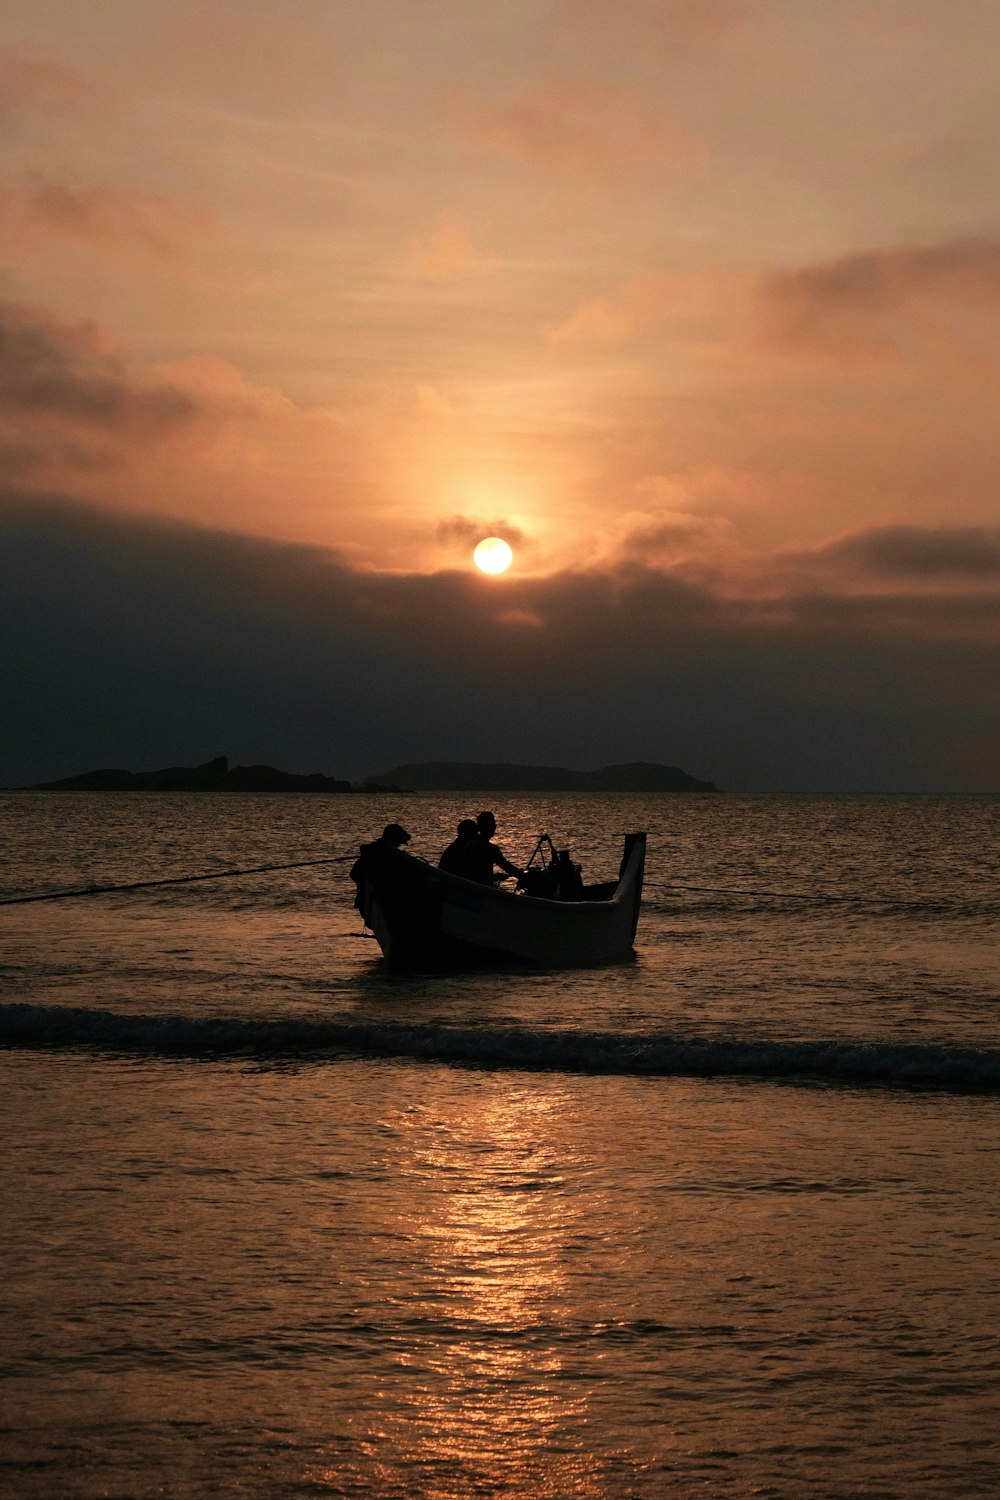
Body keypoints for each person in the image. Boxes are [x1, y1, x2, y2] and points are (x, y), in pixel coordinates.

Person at [462, 810, 523, 886]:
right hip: (482, 888)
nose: (494, 826)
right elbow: (505, 865)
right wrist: (522, 876)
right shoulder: (491, 849)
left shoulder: (470, 845)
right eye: (493, 824)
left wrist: (495, 877)